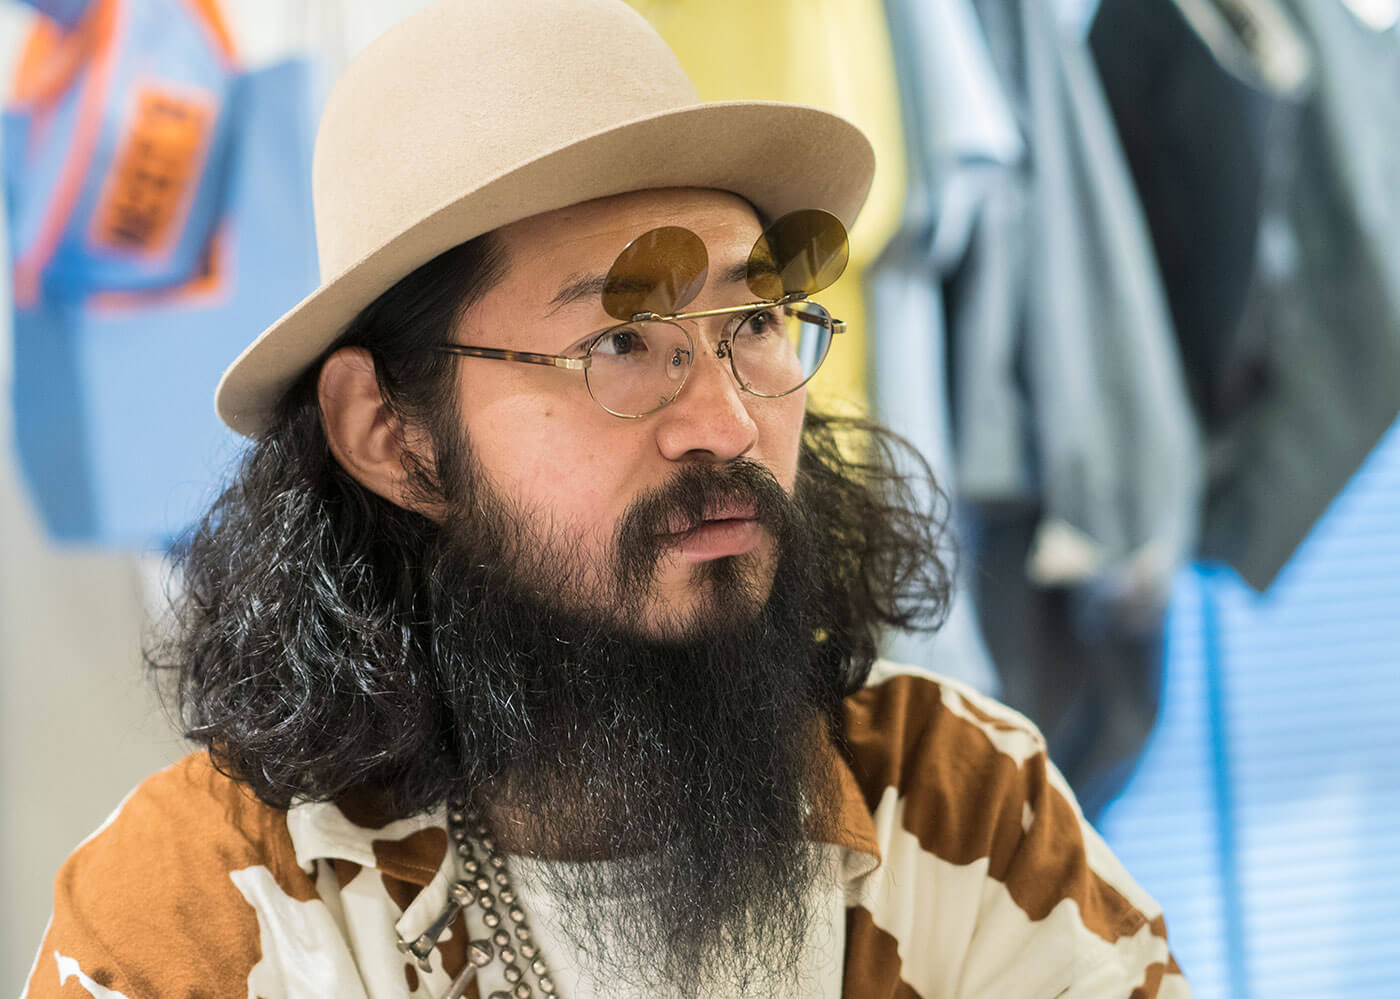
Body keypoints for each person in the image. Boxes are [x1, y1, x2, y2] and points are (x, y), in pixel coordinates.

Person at [23, 1, 1191, 996]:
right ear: (391, 436)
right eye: (621, 343)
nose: (727, 423)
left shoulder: (957, 806)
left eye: (753, 323)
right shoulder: (206, 908)